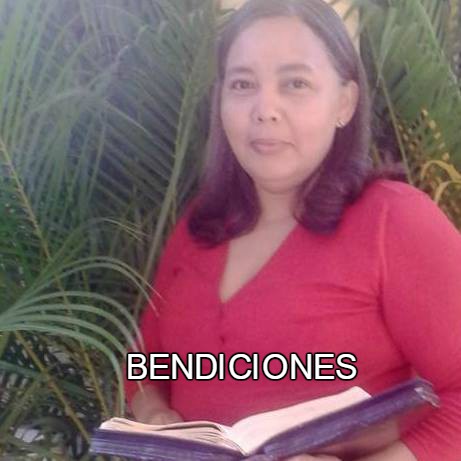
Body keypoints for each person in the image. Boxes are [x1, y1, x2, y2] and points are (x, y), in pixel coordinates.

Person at [124, 0, 461, 460]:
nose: (265, 109)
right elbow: (147, 361)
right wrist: (153, 414)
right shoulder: (199, 226)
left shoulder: (395, 223)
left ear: (344, 102)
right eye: (242, 84)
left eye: (295, 83)